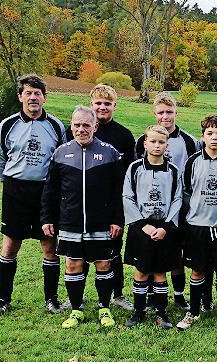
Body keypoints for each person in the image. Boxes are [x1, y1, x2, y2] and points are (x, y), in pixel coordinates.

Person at [41, 105, 124, 328]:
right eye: (77, 125)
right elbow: (50, 190)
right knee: (72, 265)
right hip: (70, 221)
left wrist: (117, 219)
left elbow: (118, 191)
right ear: (71, 126)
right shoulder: (60, 153)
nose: (81, 129)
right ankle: (76, 310)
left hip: (102, 221)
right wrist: (47, 218)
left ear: (95, 126)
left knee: (104, 264)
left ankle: (104, 308)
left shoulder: (110, 153)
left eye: (86, 125)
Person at [0, 74, 66, 317]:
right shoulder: (7, 125)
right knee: (10, 245)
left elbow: (62, 158)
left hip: (46, 192)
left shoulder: (56, 125)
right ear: (20, 96)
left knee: (49, 245)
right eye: (28, 93)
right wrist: (9, 181)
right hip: (16, 191)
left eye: (37, 93)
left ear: (45, 97)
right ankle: (3, 300)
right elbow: (0, 156)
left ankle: (51, 299)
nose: (33, 97)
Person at [67, 84, 136, 311]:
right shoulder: (76, 132)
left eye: (107, 103)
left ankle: (117, 294)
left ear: (115, 105)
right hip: (82, 206)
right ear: (91, 105)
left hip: (112, 204)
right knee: (81, 250)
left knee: (113, 251)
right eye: (98, 103)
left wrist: (119, 212)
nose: (102, 107)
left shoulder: (124, 136)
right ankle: (76, 296)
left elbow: (129, 175)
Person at [175, 115, 217, 331]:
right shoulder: (193, 162)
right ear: (203, 136)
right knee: (197, 271)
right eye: (210, 133)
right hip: (198, 226)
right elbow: (186, 192)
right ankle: (193, 312)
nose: (214, 137)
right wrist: (194, 215)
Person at [135, 92, 197, 312]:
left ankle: (179, 295)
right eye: (161, 112)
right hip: (151, 209)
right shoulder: (143, 140)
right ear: (154, 113)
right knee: (152, 250)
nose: (165, 116)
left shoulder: (188, 141)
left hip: (178, 206)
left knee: (176, 253)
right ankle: (153, 296)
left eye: (169, 112)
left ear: (176, 113)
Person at [122, 125, 182, 329]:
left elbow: (177, 199)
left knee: (160, 272)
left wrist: (165, 227)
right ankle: (138, 312)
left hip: (164, 229)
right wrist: (142, 224)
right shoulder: (135, 168)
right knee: (141, 271)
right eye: (153, 141)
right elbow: (127, 197)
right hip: (140, 227)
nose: (157, 145)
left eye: (161, 142)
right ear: (145, 143)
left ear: (167, 145)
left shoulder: (173, 170)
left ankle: (161, 312)